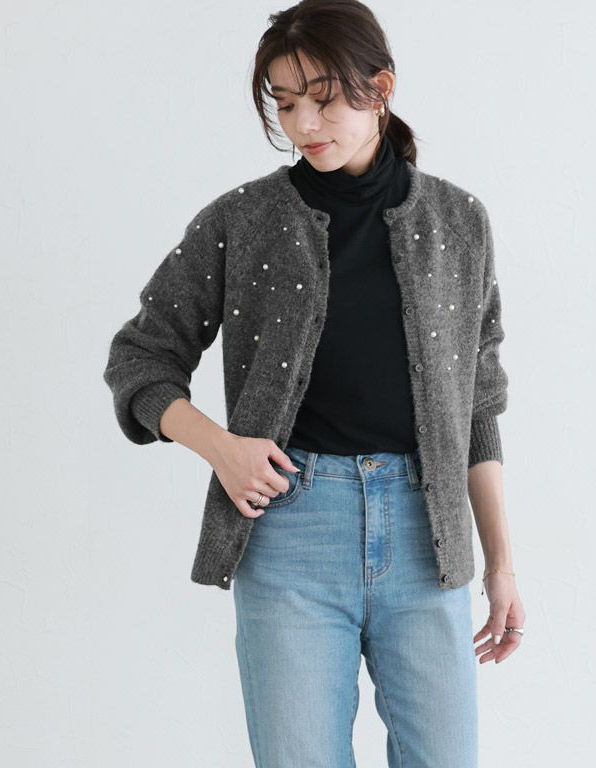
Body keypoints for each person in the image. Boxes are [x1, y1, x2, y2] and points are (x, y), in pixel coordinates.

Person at [103, 1, 526, 765]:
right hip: (291, 531)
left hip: (428, 536)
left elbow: (478, 409)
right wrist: (222, 448)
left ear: (380, 88)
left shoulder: (459, 221)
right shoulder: (241, 220)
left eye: (323, 99)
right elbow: (141, 357)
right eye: (285, 103)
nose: (303, 124)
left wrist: (500, 566)